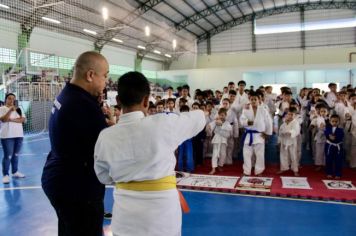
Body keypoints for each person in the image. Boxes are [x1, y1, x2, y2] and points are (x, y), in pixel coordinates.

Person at [94, 71, 205, 236]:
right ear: (146, 100)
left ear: (118, 101)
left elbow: (103, 176)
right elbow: (200, 118)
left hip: (125, 218)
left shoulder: (105, 136)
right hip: (162, 217)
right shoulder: (163, 123)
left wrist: (128, 175)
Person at [41, 51, 109, 236]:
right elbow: (106, 151)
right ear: (90, 75)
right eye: (104, 76)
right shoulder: (83, 106)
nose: (105, 83)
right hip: (78, 189)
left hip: (59, 178)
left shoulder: (68, 94)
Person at [240, 91, 272, 176]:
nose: (253, 101)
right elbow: (242, 120)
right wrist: (247, 122)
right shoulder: (245, 109)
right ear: (249, 100)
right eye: (252, 99)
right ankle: (247, 171)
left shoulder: (263, 110)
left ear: (259, 100)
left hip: (259, 135)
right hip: (248, 135)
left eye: (255, 99)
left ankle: (259, 171)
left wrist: (267, 133)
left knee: (260, 154)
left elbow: (268, 122)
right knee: (246, 154)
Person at [0, 93, 26, 184]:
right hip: (7, 136)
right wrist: (10, 111)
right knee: (8, 156)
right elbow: (3, 119)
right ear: (5, 99)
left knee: (16, 155)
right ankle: (5, 175)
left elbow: (22, 120)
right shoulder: (1, 109)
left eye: (13, 99)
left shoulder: (18, 109)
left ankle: (15, 172)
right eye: (9, 98)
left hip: (19, 135)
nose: (11, 101)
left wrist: (11, 120)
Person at [207, 108, 232, 175]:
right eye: (220, 115)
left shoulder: (227, 123)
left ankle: (220, 165)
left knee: (223, 154)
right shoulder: (216, 121)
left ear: (226, 115)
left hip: (223, 140)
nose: (221, 116)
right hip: (216, 140)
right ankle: (213, 168)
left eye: (223, 115)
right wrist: (209, 127)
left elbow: (229, 131)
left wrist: (221, 126)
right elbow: (210, 126)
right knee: (215, 154)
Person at [277, 107, 301, 176]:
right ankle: (283, 168)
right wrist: (278, 141)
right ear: (286, 115)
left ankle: (295, 170)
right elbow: (280, 132)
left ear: (295, 115)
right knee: (283, 155)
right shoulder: (283, 123)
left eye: (292, 114)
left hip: (292, 142)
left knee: (293, 156)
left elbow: (296, 131)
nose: (290, 116)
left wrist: (290, 132)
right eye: (289, 114)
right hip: (284, 141)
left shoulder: (296, 122)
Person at [325, 114, 344, 179]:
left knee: (338, 160)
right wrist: (329, 136)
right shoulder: (328, 128)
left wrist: (334, 138)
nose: (334, 123)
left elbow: (341, 137)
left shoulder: (340, 130)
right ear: (330, 121)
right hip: (329, 146)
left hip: (338, 146)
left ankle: (338, 173)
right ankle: (329, 173)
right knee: (329, 159)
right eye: (333, 121)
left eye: (336, 121)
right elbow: (326, 133)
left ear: (339, 122)